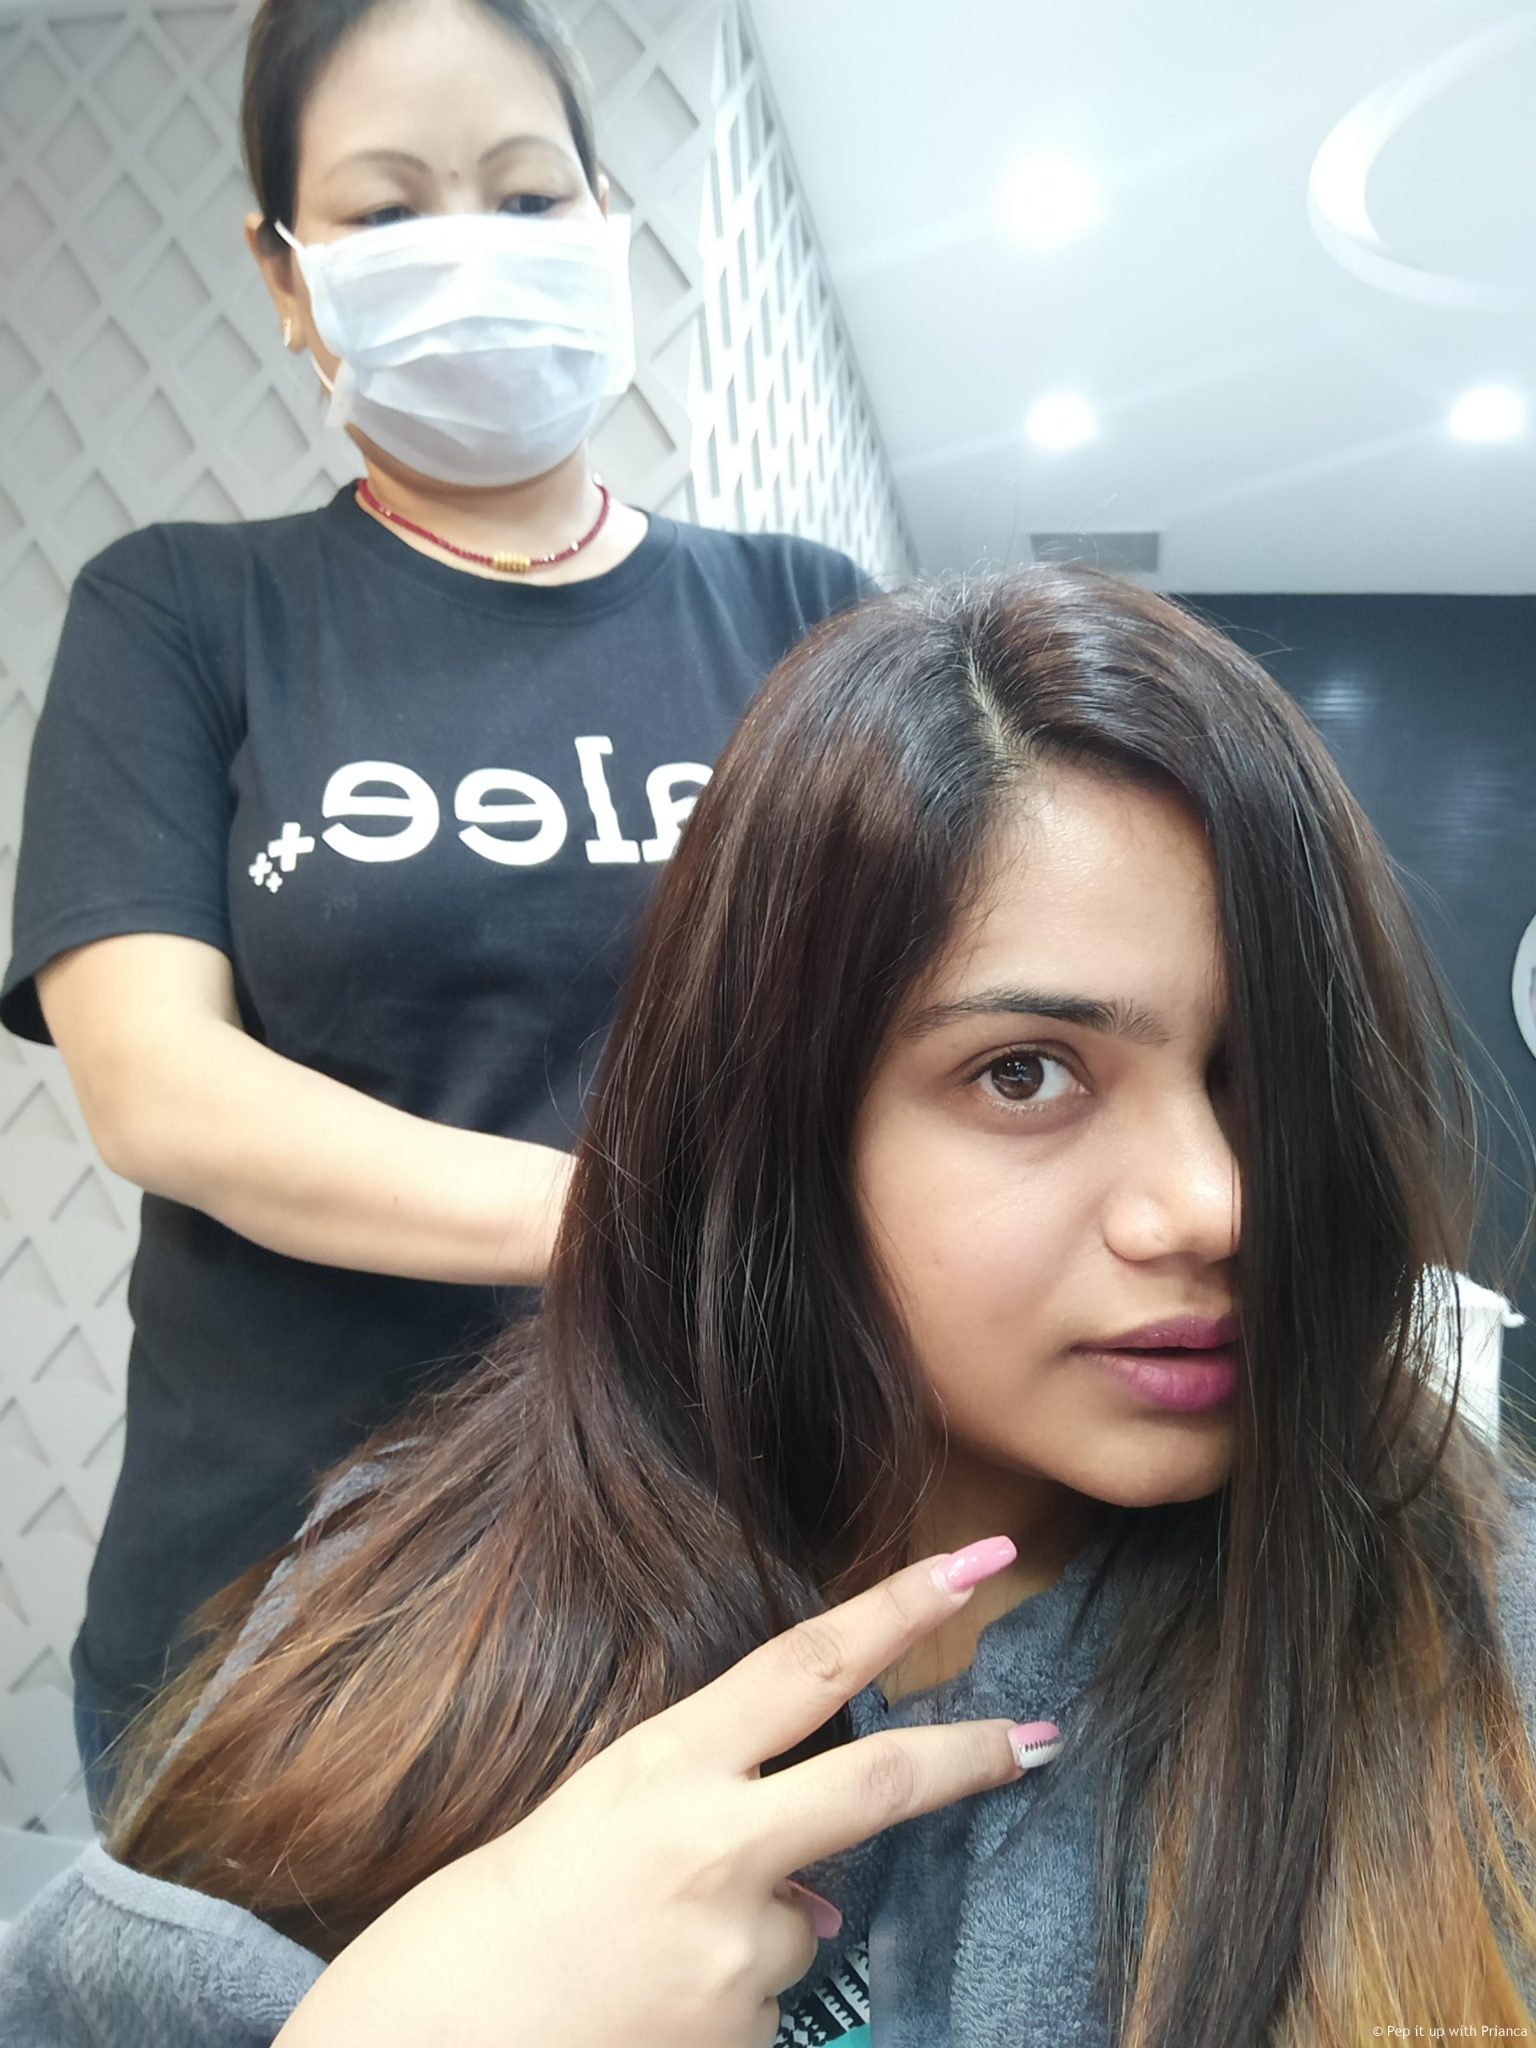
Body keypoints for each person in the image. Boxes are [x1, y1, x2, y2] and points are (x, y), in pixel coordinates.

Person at [3, 565, 1535, 2047]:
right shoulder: (417, 1615)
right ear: (780, 1122)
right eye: (1025, 1073)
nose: (1217, 1208)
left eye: (1264, 1076)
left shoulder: (1475, 1635)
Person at [0, 0, 871, 1818]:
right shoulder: (183, 613)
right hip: (282, 1628)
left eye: (527, 194)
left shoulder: (806, 612)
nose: (469, 247)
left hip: (728, 1587)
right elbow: (159, 1088)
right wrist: (630, 1227)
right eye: (386, 210)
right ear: (286, 274)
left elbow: (912, 1048)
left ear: (607, 224)